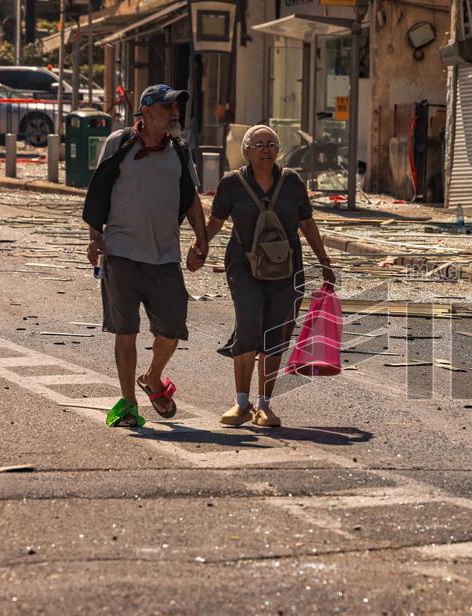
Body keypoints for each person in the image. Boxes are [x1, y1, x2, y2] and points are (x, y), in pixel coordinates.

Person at [82, 84, 208, 427]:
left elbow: (192, 198)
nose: (174, 113)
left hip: (165, 254)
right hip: (120, 251)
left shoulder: (180, 151)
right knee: (127, 330)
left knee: (172, 327)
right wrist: (95, 237)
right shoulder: (119, 143)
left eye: (176, 108)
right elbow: (99, 191)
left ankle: (153, 377)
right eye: (168, 107)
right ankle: (128, 403)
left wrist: (201, 240)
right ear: (147, 111)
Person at [203, 125, 335, 427]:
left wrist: (324, 261)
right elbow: (216, 222)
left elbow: (307, 222)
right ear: (246, 151)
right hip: (243, 267)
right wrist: (200, 247)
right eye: (259, 144)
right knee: (249, 327)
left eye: (271, 144)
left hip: (287, 270)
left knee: (276, 334)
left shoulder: (291, 182)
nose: (266, 149)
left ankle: (264, 405)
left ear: (278, 151)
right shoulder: (231, 184)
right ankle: (240, 403)